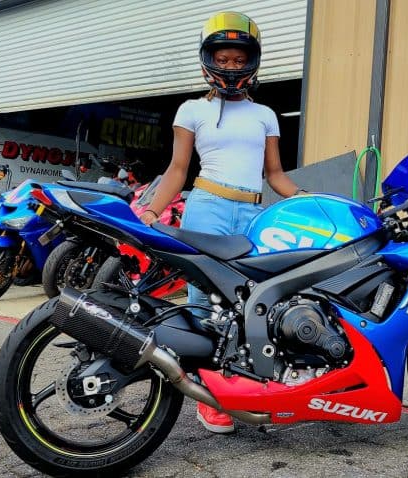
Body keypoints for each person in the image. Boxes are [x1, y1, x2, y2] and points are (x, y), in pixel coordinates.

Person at [139, 11, 302, 434]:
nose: (230, 66)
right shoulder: (191, 109)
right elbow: (177, 169)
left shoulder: (266, 113)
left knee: (249, 301)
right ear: (208, 60)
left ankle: (242, 383)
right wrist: (152, 211)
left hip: (253, 213)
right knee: (203, 301)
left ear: (252, 63)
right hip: (207, 205)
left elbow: (275, 175)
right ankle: (207, 397)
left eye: (238, 59)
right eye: (223, 58)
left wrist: (311, 201)